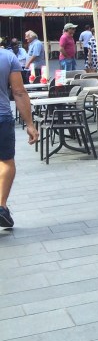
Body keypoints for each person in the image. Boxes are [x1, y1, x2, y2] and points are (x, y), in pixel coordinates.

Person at [0, 45, 39, 229]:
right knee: (6, 162)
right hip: (2, 117)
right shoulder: (7, 57)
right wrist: (30, 124)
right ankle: (1, 206)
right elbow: (19, 92)